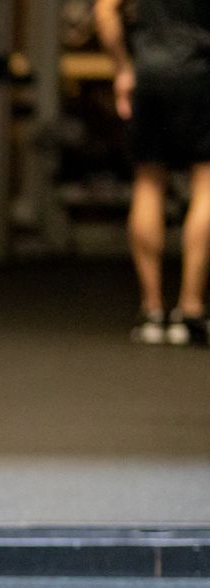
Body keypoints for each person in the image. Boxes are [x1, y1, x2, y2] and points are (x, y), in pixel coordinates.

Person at [95, 0, 210, 345]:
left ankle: (152, 311)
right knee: (206, 183)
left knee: (148, 182)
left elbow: (104, 10)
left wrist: (122, 68)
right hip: (200, 73)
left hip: (149, 73)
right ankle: (190, 311)